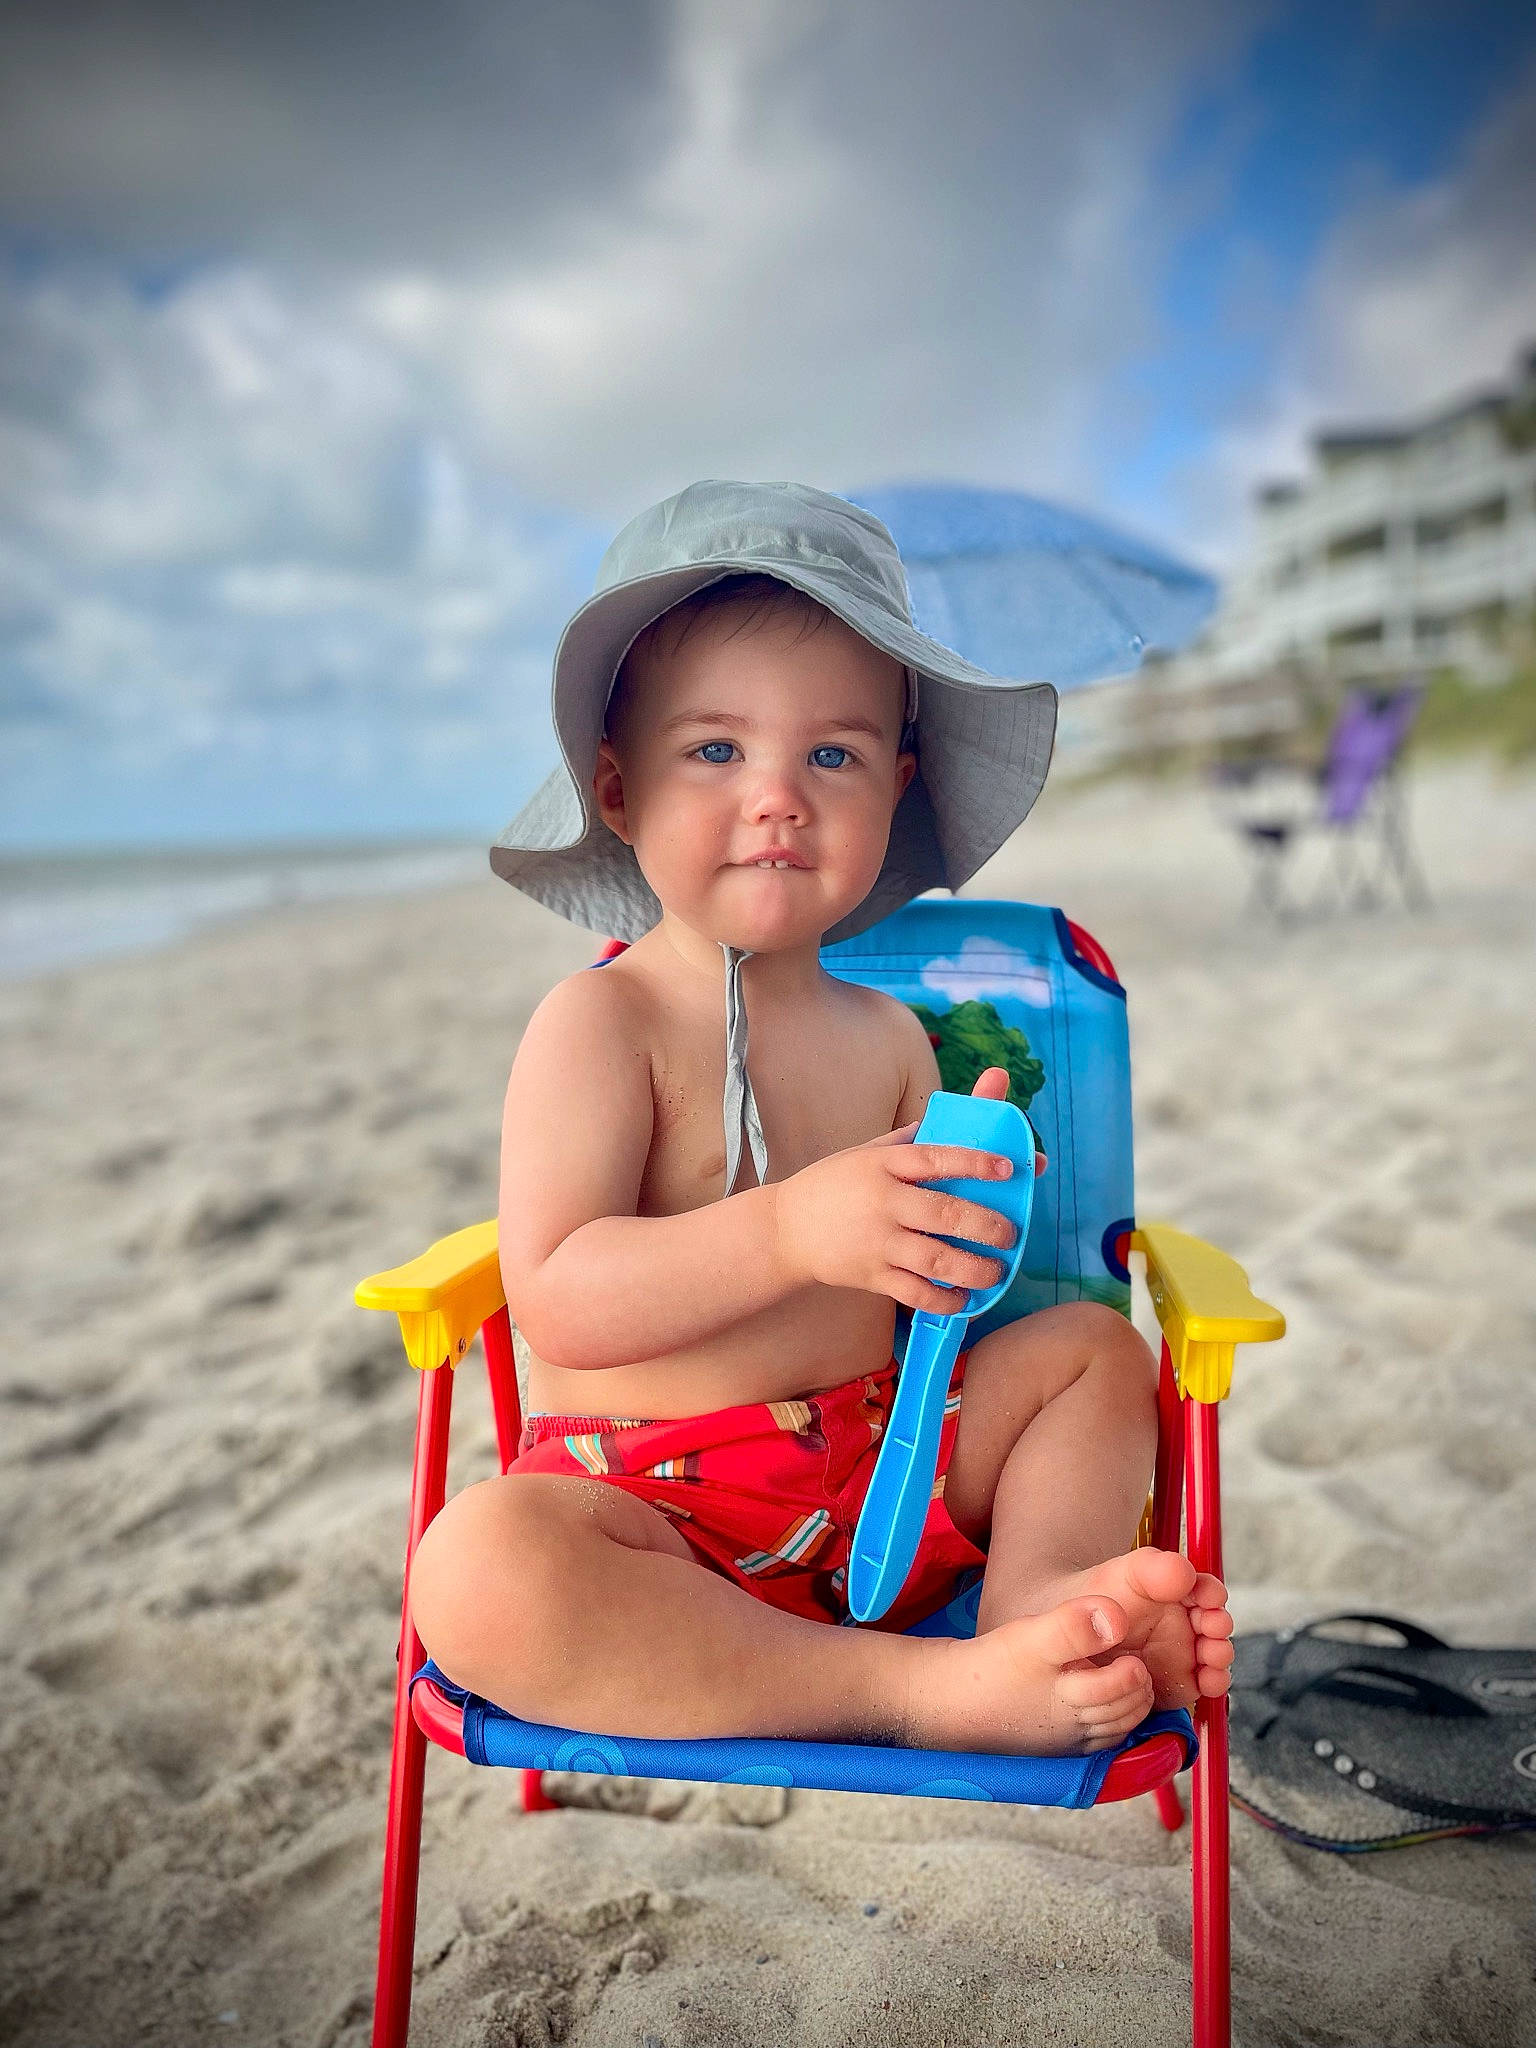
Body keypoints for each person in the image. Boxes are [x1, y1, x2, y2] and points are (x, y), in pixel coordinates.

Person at [409, 481, 1233, 1756]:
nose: (780, 796)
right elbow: (560, 1293)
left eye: (832, 754)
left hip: (887, 1475)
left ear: (898, 790)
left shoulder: (893, 1040)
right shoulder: (598, 1027)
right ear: (620, 790)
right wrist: (792, 1229)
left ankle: (1035, 1608)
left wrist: (964, 1211)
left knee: (1090, 1348)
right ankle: (917, 1692)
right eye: (718, 750)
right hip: (653, 1519)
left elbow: (927, 1302)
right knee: (477, 1570)